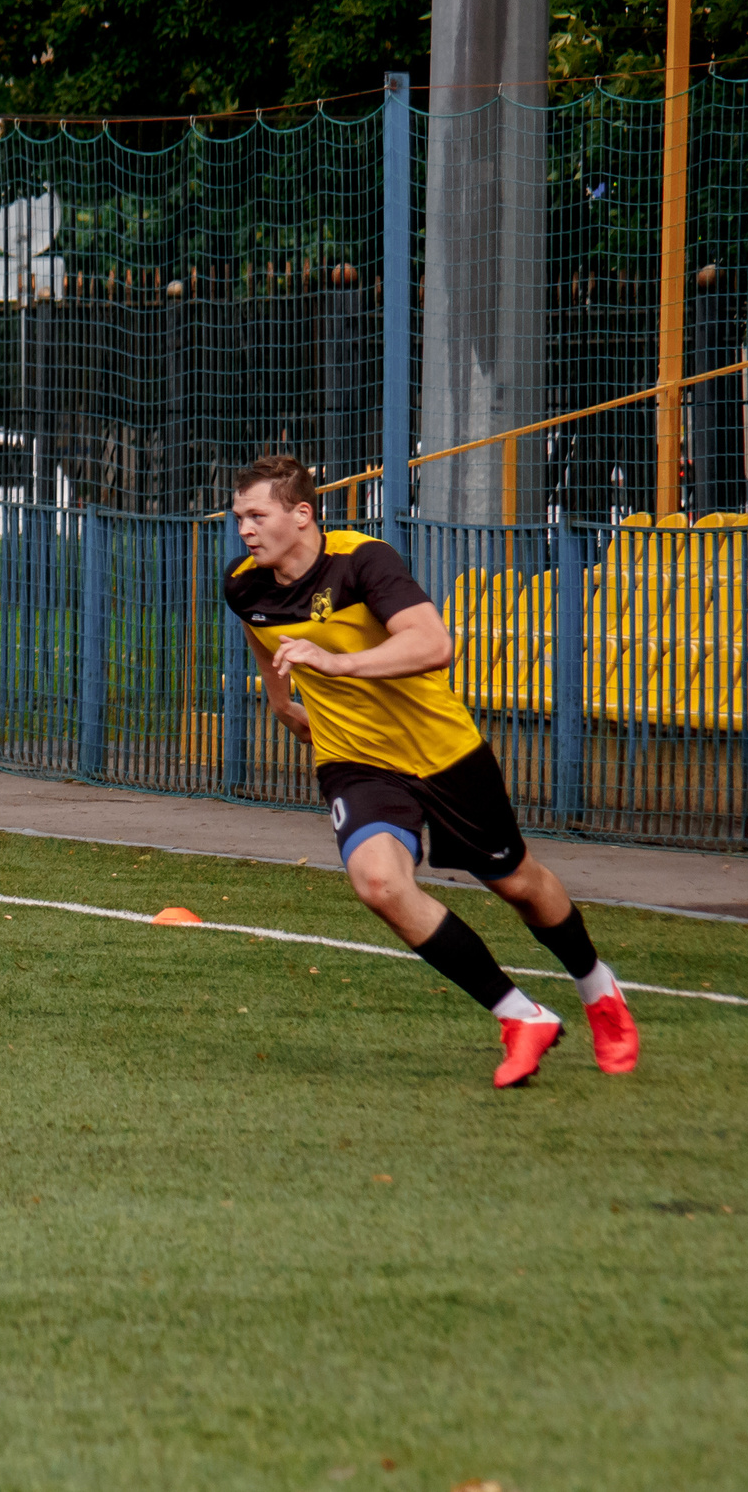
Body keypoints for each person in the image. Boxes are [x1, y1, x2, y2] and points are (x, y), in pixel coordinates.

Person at [225, 454, 639, 1087]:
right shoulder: (245, 585)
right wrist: (285, 705)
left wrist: (336, 665)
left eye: (257, 515)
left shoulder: (365, 562)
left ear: (302, 514)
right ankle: (518, 1016)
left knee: (516, 882)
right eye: (239, 518)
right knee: (379, 885)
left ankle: (597, 987)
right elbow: (270, 646)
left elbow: (432, 644)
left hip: (442, 753)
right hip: (354, 760)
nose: (245, 529)